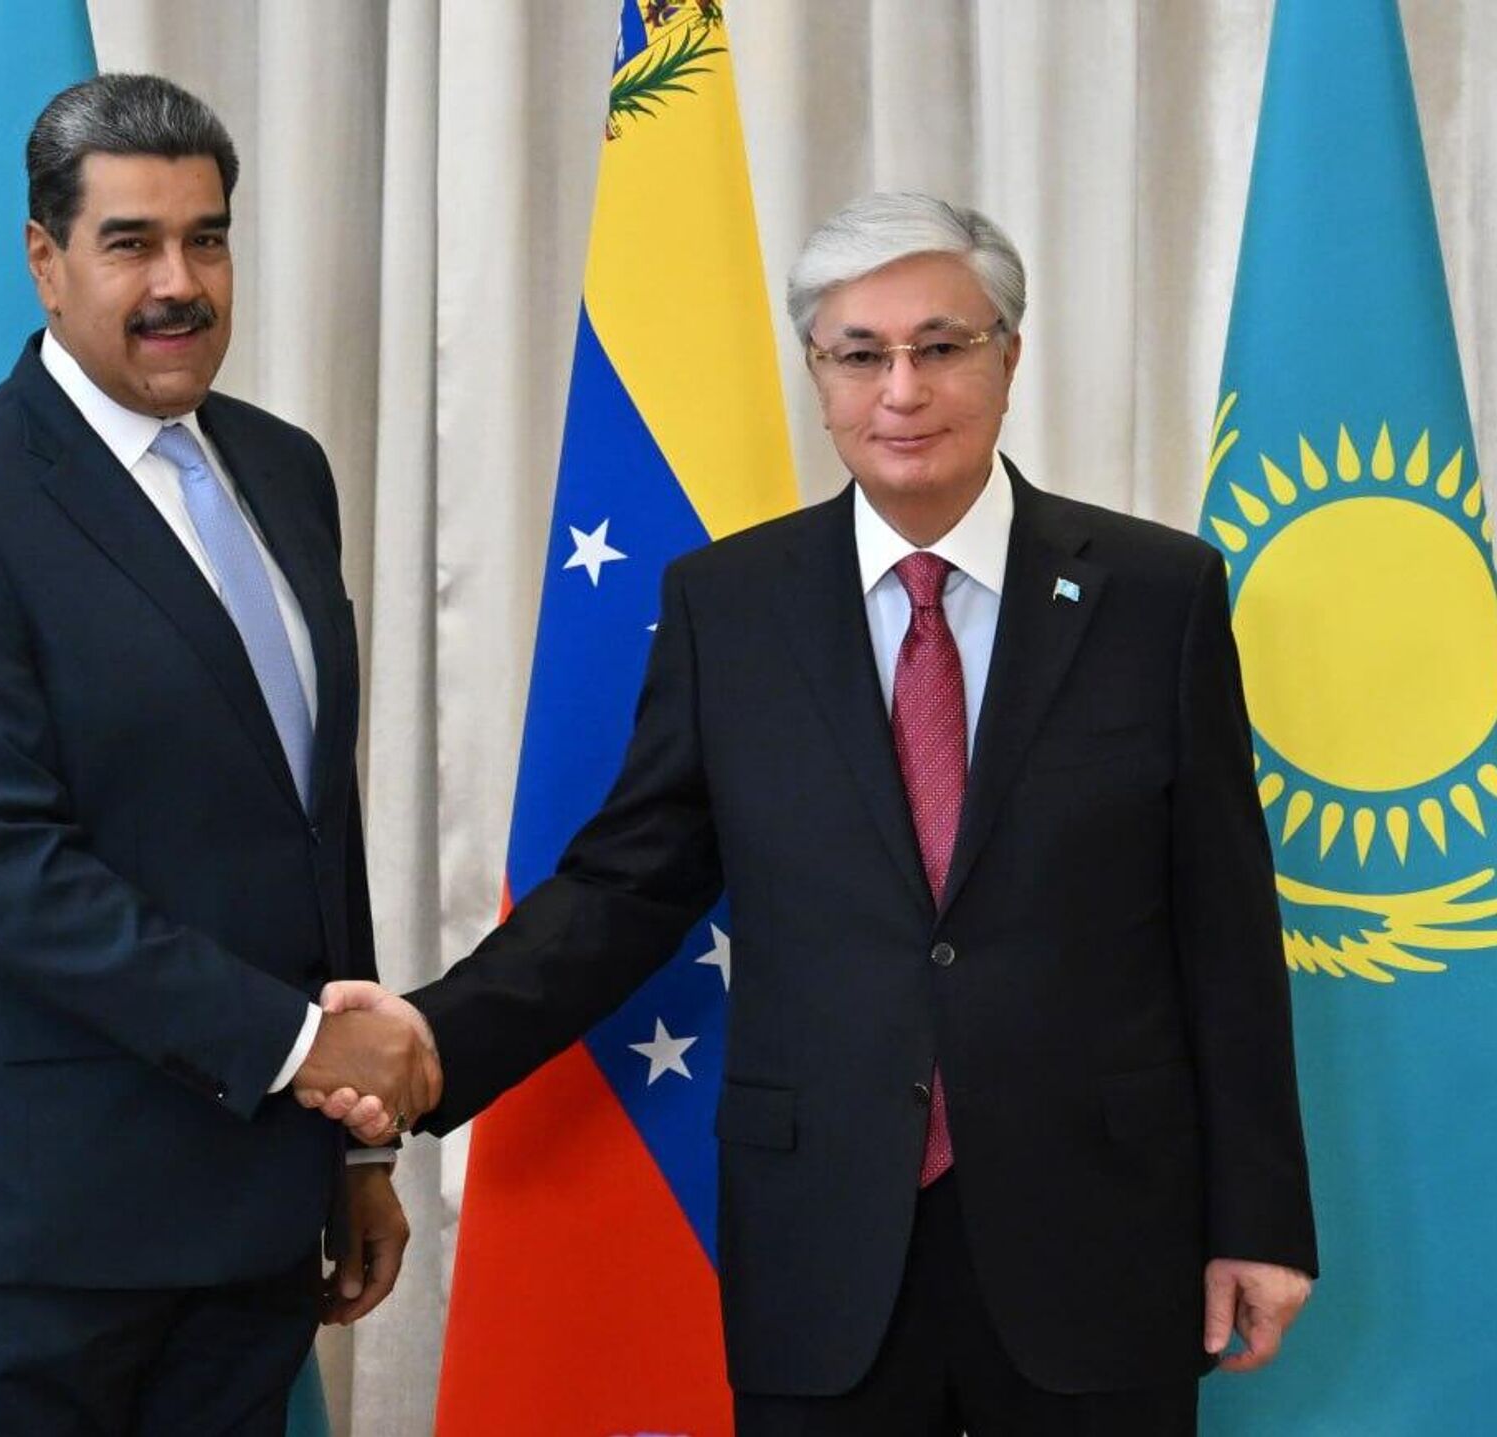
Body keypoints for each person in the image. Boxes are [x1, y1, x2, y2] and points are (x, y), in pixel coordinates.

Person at [312, 193, 1316, 1435]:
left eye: (941, 346)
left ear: (1009, 356)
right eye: (860, 354)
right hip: (824, 1238)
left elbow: (1224, 925)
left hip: (1099, 1229)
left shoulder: (1156, 595)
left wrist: (1260, 1219)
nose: (902, 390)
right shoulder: (731, 607)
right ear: (817, 374)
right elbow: (628, 887)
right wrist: (431, 1035)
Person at [0, 73, 438, 1435]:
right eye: (132, 243)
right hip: (51, 1237)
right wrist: (303, 1047)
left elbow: (310, 821)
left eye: (206, 238)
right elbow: (6, 870)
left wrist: (357, 1145)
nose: (180, 283)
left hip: (259, 1209)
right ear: (44, 260)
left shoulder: (285, 470)